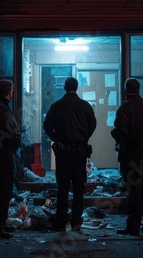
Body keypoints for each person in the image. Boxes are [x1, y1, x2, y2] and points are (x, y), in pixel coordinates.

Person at [43, 77, 97, 231]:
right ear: (77, 87)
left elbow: (47, 126)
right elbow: (93, 124)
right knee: (79, 187)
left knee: (63, 187)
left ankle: (60, 221)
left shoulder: (56, 106)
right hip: (80, 151)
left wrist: (55, 137)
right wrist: (84, 137)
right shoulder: (85, 106)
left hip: (63, 151)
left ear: (65, 88)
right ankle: (76, 221)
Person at [111, 78, 143, 236]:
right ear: (139, 89)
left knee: (134, 191)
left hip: (131, 154)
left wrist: (117, 136)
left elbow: (121, 130)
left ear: (126, 90)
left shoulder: (125, 108)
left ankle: (133, 227)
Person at [0, 79, 22, 239]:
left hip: (3, 153)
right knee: (3, 189)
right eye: (12, 90)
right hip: (3, 155)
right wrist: (15, 141)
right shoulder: (1, 110)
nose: (13, 93)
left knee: (3, 188)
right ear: (9, 92)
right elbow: (6, 134)